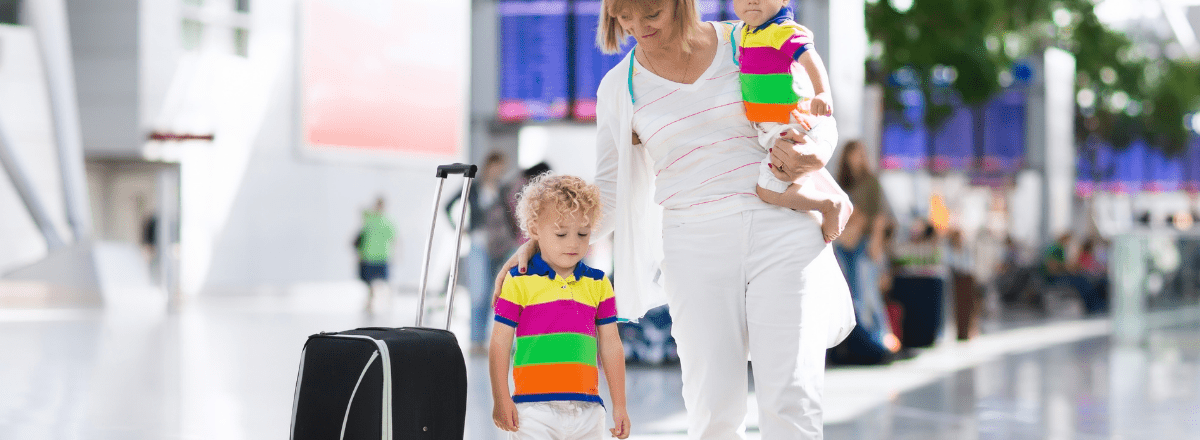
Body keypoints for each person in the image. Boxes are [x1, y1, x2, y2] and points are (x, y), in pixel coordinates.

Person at [495, 1, 855, 437]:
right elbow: (608, 193)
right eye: (624, 17)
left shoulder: (745, 40)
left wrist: (816, 151)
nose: (637, 27)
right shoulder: (619, 87)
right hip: (693, 242)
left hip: (782, 225)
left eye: (651, 13)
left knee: (791, 399)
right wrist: (543, 241)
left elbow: (815, 116)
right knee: (712, 406)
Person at [490, 174, 630, 439]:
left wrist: (620, 405)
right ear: (534, 230)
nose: (573, 243)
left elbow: (611, 344)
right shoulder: (518, 281)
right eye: (561, 233)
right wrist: (500, 398)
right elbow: (499, 343)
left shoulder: (599, 283)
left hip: (588, 411)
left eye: (583, 233)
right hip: (532, 411)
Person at [732, 0, 851, 242]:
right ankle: (836, 200)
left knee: (767, 190)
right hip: (783, 129)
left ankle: (829, 204)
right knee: (795, 178)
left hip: (799, 127)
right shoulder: (746, 31)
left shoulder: (781, 29)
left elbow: (810, 58)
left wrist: (822, 93)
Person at [447, 151, 521, 353]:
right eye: (497, 166)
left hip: (500, 247)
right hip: (479, 244)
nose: (499, 171)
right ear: (489, 165)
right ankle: (476, 340)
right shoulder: (474, 187)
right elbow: (449, 205)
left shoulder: (503, 189)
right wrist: (460, 227)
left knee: (493, 294)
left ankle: (487, 339)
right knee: (478, 293)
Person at [356, 197, 396, 313]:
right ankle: (371, 302)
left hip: (381, 255)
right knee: (370, 283)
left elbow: (394, 239)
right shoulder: (371, 219)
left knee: (384, 281)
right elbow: (360, 210)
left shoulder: (386, 221)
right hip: (369, 255)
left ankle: (387, 302)